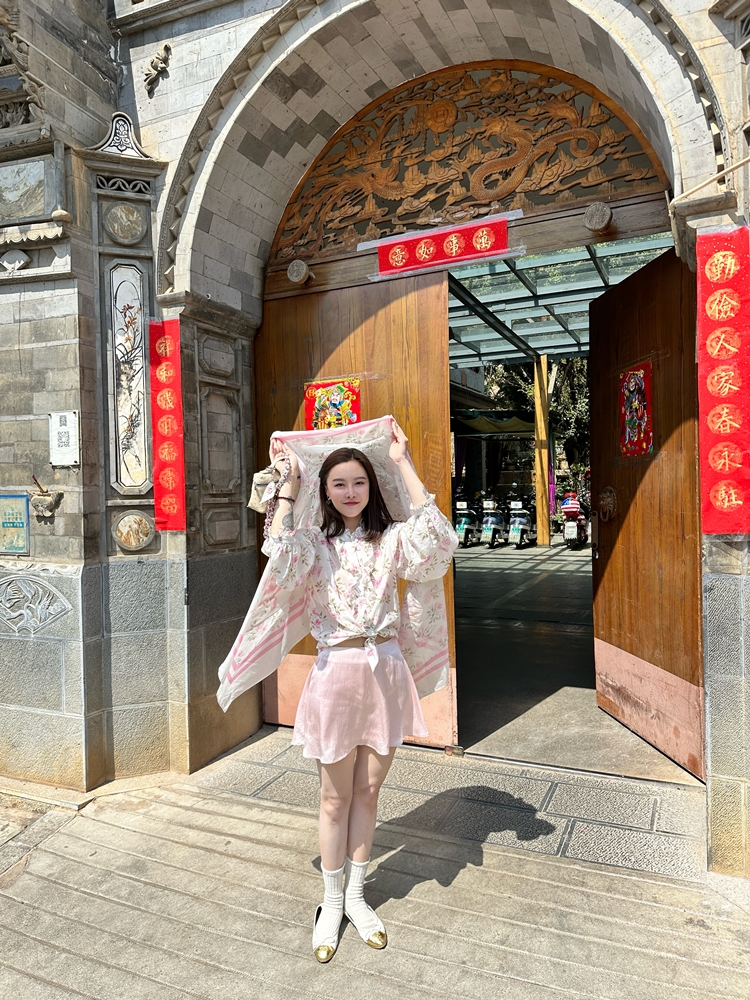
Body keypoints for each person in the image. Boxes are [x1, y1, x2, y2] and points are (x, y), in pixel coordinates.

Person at [265, 422, 457, 963]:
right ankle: (330, 903)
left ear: (371, 487)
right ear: (326, 492)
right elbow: (278, 556)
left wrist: (402, 462)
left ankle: (355, 896)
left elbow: (439, 542)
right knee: (334, 797)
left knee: (368, 792)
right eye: (339, 484)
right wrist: (290, 485)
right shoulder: (314, 544)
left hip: (385, 670)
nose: (350, 492)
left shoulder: (392, 539)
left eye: (359, 482)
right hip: (336, 673)